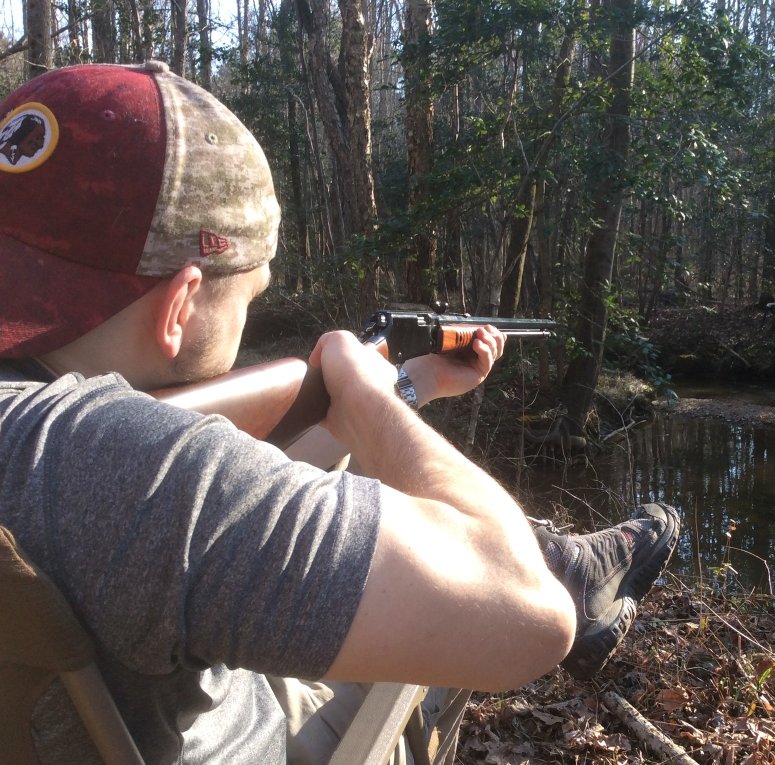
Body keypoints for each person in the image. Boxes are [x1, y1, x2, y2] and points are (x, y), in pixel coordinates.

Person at [0, 62, 681, 763]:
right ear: (179, 307)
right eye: (250, 296)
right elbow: (528, 617)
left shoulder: (66, 458)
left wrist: (405, 388)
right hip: (261, 735)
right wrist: (364, 401)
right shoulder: (142, 475)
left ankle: (572, 557)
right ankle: (573, 568)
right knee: (487, 606)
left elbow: (228, 506)